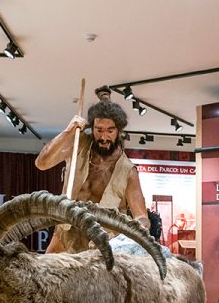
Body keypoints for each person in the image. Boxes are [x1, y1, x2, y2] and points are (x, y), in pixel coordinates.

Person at [35, 86, 149, 252]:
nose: (104, 137)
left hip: (100, 245)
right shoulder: (78, 144)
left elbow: (141, 216)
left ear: (119, 131)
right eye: (99, 130)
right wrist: (68, 131)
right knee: (48, 276)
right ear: (92, 128)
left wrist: (139, 229)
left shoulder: (128, 171)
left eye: (110, 131)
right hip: (65, 234)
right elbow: (42, 163)